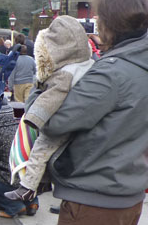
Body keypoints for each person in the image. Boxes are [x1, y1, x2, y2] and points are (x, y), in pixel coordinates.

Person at [33, 0, 148, 225]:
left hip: (92, 201)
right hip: (126, 195)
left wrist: (42, 88)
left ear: (112, 23)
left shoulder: (112, 73)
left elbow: (54, 121)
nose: (95, 24)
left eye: (98, 17)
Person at [5, 16, 94, 203]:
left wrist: (34, 118)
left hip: (62, 121)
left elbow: (52, 97)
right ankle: (43, 182)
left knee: (40, 149)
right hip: (80, 121)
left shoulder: (64, 73)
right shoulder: (90, 65)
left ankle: (28, 188)